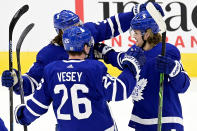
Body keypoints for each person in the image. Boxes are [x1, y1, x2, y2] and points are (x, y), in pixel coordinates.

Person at [1, 2, 163, 97]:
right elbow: (32, 82)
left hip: (99, 106)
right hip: (69, 114)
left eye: (79, 25)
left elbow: (110, 26)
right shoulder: (48, 54)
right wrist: (17, 81)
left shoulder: (88, 32)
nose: (80, 29)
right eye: (74, 27)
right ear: (61, 32)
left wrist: (135, 12)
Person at [14, 26, 145, 131]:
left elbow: (38, 106)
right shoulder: (94, 68)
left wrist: (22, 115)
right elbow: (120, 90)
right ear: (85, 47)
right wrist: (131, 68)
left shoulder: (51, 70)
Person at [94, 10, 190, 131]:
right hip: (141, 121)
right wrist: (106, 53)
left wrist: (174, 70)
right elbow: (123, 61)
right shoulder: (135, 50)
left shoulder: (168, 51)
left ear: (147, 34)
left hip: (167, 121)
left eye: (136, 32)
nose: (133, 36)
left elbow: (183, 86)